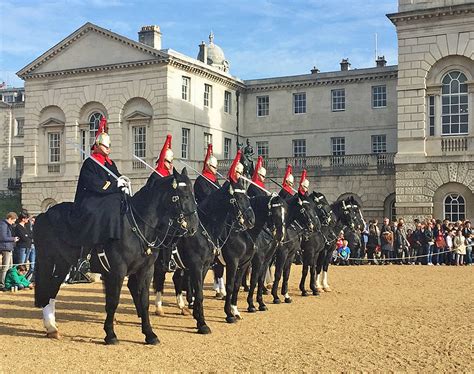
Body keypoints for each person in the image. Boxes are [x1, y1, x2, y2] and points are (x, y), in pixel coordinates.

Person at [71, 117, 130, 249]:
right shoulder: (90, 163)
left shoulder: (110, 163)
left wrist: (123, 183)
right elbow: (94, 183)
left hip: (108, 195)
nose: (108, 148)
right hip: (92, 198)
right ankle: (94, 246)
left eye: (109, 146)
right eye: (105, 145)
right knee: (104, 209)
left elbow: (116, 176)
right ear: (97, 146)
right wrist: (115, 185)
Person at [193, 144, 224, 298]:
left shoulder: (215, 180)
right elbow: (206, 198)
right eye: (213, 167)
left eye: (216, 167)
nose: (215, 169)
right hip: (204, 215)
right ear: (207, 166)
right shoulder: (201, 180)